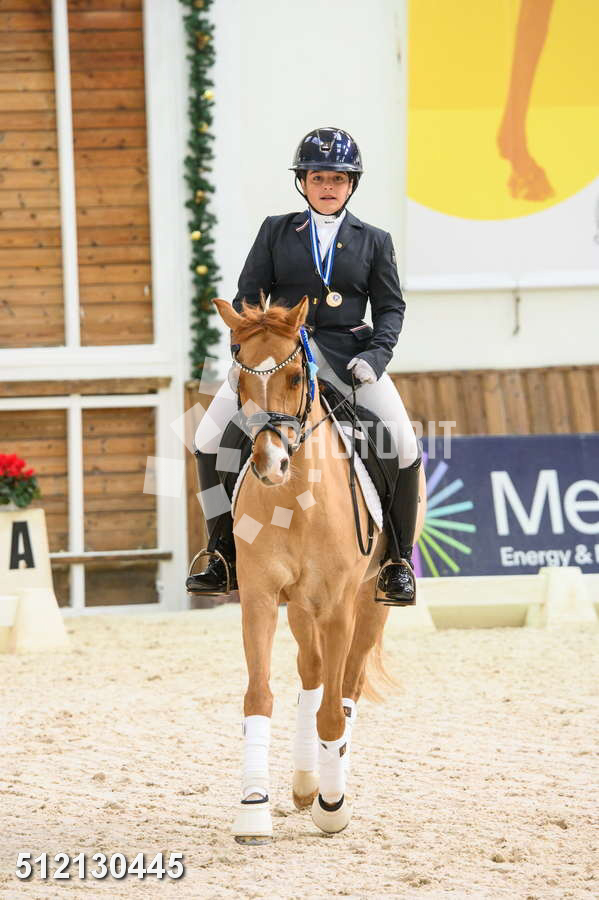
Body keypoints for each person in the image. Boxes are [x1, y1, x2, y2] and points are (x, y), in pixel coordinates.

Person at [187, 126, 421, 605]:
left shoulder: (374, 241)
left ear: (351, 184)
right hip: (279, 360)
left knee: (402, 443)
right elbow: (247, 298)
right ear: (303, 182)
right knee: (207, 439)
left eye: (337, 178)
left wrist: (376, 357)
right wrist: (244, 354)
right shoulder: (276, 230)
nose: (328, 187)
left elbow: (390, 308)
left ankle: (397, 561)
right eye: (318, 178)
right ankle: (220, 550)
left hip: (349, 359)